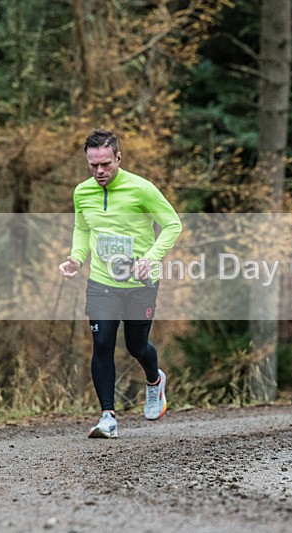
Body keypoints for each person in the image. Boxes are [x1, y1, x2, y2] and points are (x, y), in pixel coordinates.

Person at [59, 129, 182, 438]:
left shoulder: (142, 189)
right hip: (102, 282)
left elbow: (172, 225)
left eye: (105, 164)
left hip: (141, 283)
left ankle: (154, 380)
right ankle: (107, 417)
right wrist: (76, 258)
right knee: (102, 344)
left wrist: (151, 258)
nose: (99, 171)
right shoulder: (82, 192)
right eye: (93, 165)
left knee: (136, 345)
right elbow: (82, 229)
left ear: (118, 158)